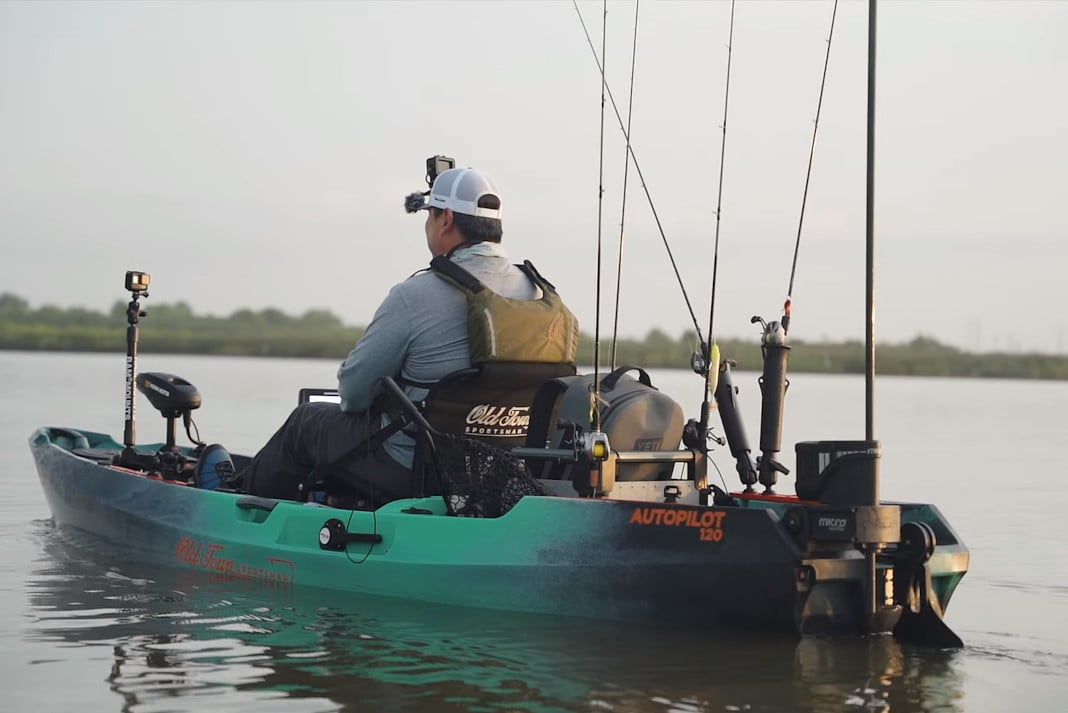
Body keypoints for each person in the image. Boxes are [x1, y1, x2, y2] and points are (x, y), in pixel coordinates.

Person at [223, 165, 577, 507]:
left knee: (306, 422)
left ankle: (241, 515)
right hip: (505, 475)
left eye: (429, 215)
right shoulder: (545, 297)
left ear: (446, 220)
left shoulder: (415, 295)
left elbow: (353, 393)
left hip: (419, 471)